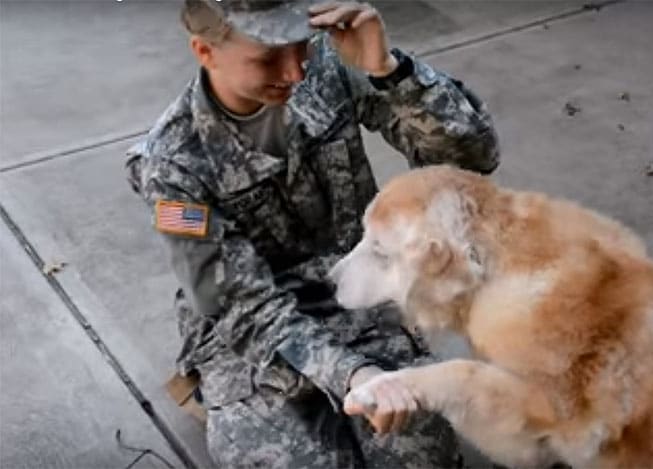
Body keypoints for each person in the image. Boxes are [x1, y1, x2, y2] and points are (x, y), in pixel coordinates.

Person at [125, 0, 500, 467]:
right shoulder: (172, 163)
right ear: (205, 52)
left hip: (362, 304)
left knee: (421, 459)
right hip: (256, 348)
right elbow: (238, 306)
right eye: (267, 58)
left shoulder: (327, 66)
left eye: (299, 44)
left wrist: (389, 70)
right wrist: (351, 375)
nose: (295, 71)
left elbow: (474, 159)